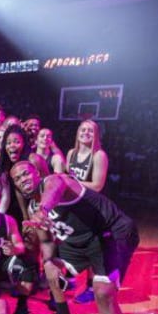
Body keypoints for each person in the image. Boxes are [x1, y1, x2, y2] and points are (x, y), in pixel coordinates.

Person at [11, 161, 139, 314]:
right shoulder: (33, 205)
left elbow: (55, 186)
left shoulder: (56, 182)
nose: (23, 178)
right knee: (48, 268)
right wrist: (52, 265)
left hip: (111, 233)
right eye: (17, 178)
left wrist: (44, 210)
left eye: (26, 172)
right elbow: (47, 243)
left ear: (37, 172)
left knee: (103, 293)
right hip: (79, 243)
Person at [66, 119, 109, 304]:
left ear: (96, 135)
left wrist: (71, 183)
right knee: (69, 243)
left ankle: (91, 287)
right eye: (82, 129)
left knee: (92, 249)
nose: (85, 133)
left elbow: (98, 185)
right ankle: (70, 280)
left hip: (92, 209)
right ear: (77, 133)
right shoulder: (71, 153)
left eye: (90, 131)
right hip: (72, 207)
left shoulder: (99, 155)